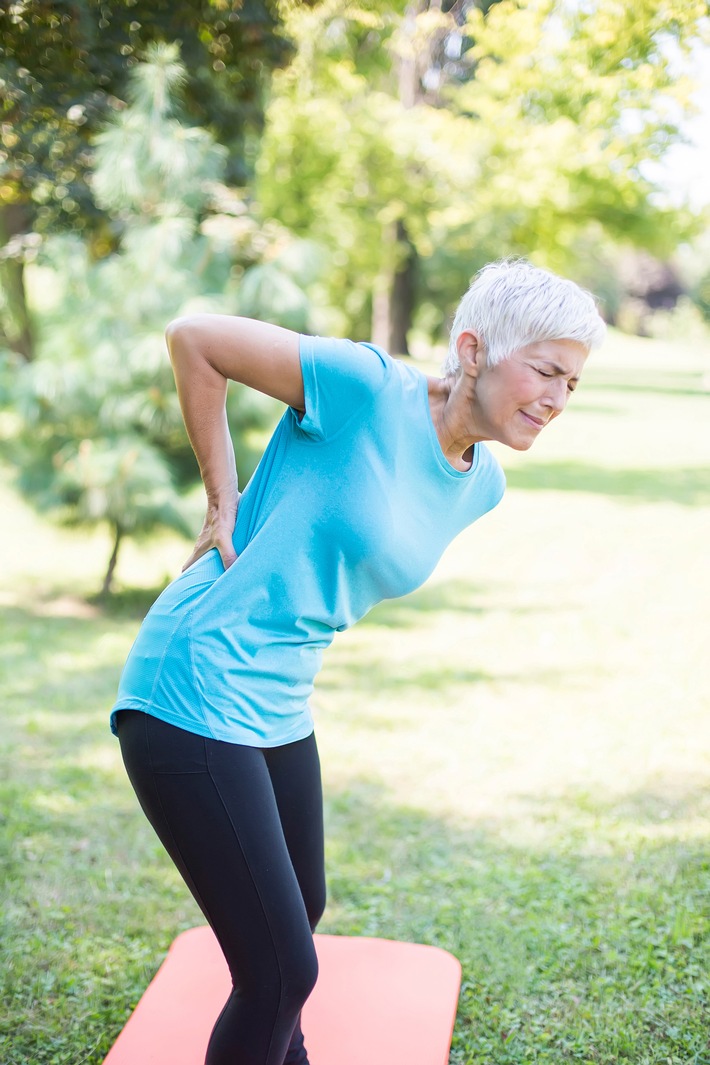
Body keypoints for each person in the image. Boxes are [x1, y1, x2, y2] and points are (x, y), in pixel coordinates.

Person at [111, 259, 606, 1065]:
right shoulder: (367, 388)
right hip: (192, 682)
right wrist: (221, 494)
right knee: (278, 968)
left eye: (572, 384)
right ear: (473, 349)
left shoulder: (482, 486)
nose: (556, 399)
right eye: (546, 370)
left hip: (278, 699)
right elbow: (195, 339)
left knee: (298, 913)